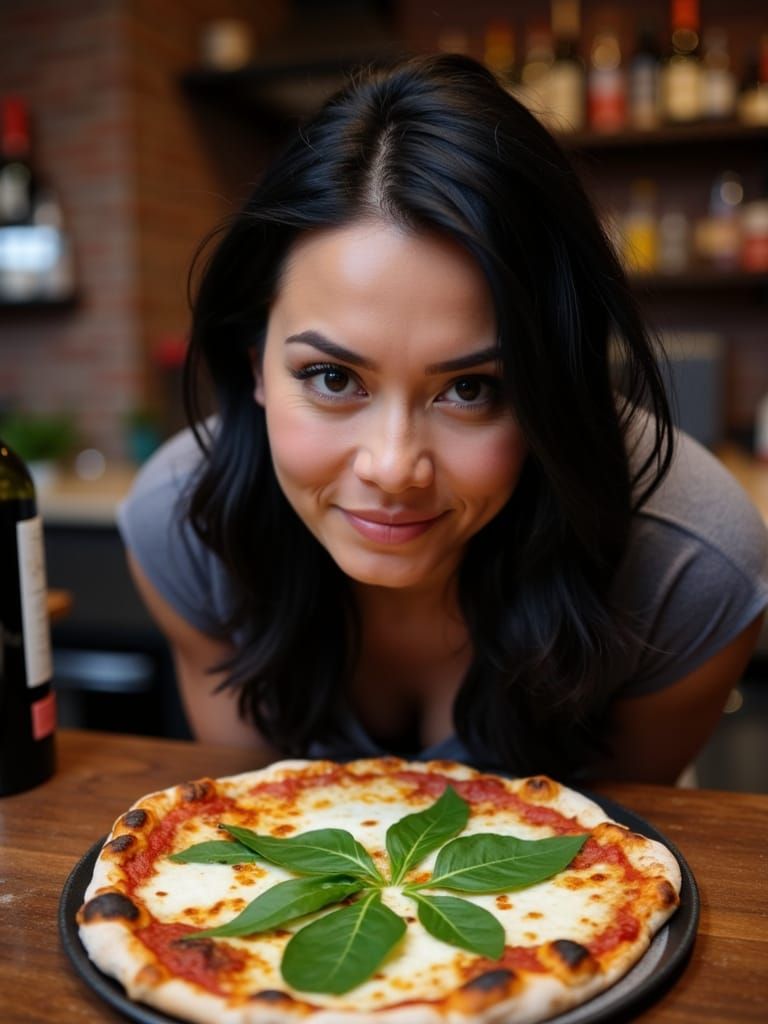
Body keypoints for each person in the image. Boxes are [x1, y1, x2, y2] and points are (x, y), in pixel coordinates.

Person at [118, 54, 768, 784]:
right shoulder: (186, 523)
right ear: (253, 366)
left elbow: (607, 865)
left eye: (471, 389)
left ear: (552, 385)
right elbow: (248, 842)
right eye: (333, 378)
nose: (393, 467)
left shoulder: (689, 565)